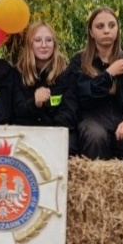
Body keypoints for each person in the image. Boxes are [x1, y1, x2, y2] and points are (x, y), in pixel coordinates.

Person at [70, 6, 123, 160]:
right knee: (96, 137)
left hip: (120, 119)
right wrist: (109, 74)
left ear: (117, 30)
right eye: (100, 26)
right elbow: (83, 95)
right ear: (91, 32)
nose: (106, 31)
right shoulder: (79, 61)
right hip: (91, 119)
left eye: (112, 25)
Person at [13, 21, 78, 154]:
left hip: (58, 133)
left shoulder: (67, 72)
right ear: (30, 44)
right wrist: (35, 103)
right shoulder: (17, 73)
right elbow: (16, 110)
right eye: (38, 40)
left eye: (48, 40)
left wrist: (50, 134)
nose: (44, 45)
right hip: (27, 133)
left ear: (54, 44)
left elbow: (69, 111)